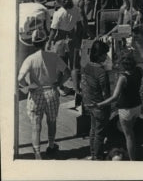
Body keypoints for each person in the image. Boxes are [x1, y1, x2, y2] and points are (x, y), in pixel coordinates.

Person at [17, 26, 70, 159]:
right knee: (51, 121)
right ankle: (51, 146)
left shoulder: (30, 59)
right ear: (46, 41)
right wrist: (59, 83)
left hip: (36, 94)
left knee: (36, 126)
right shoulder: (53, 56)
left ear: (33, 43)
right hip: (51, 92)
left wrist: (29, 86)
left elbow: (20, 79)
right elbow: (67, 72)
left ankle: (37, 153)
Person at [94, 51, 143, 160]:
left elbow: (114, 97)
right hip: (137, 106)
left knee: (129, 136)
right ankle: (129, 150)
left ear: (123, 64)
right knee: (129, 131)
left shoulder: (122, 77)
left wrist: (100, 104)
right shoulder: (139, 70)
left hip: (126, 109)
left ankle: (132, 159)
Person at [80, 39, 111, 160]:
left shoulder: (87, 67)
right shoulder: (102, 72)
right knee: (99, 132)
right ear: (99, 55)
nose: (106, 57)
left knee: (93, 129)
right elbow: (105, 93)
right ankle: (97, 156)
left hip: (89, 103)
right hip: (100, 105)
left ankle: (93, 154)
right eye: (105, 54)